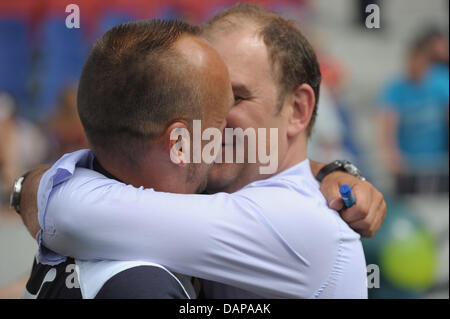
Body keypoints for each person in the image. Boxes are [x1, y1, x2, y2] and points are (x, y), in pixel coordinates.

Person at [18, 5, 386, 298]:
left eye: (236, 97)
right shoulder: (209, 195)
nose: (209, 120)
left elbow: (68, 211)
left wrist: (32, 186)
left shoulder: (296, 222)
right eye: (196, 96)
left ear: (298, 109)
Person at [22, 19, 234, 299]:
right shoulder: (141, 284)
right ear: (180, 144)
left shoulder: (67, 228)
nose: (228, 136)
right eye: (219, 123)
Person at [377, 34, 449, 195]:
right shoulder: (395, 88)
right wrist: (392, 155)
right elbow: (387, 123)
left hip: (438, 161)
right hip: (408, 164)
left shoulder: (442, 83)